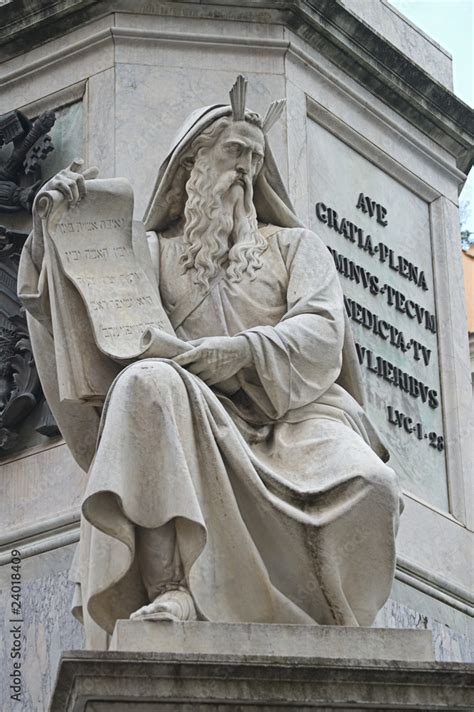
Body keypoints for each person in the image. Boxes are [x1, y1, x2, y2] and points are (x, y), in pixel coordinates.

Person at [18, 77, 402, 649]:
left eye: (256, 157)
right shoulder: (152, 253)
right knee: (145, 383)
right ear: (192, 164)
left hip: (297, 418)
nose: (245, 170)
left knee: (370, 480)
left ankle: (332, 620)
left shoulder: (296, 248)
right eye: (234, 152)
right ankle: (173, 588)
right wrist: (53, 234)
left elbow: (323, 329)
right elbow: (91, 320)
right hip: (192, 409)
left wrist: (243, 351)